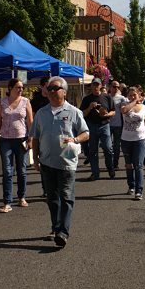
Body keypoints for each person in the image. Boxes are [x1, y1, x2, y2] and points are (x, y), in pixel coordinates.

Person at [31, 76, 89, 247]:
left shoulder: (74, 112)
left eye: (55, 88)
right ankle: (56, 227)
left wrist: (75, 140)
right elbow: (35, 137)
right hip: (47, 161)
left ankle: (62, 232)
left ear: (64, 92)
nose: (51, 91)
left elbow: (86, 133)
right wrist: (35, 158)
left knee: (66, 196)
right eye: (49, 88)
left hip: (67, 162)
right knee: (52, 198)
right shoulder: (41, 113)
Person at [0, 78, 33, 212]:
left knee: (21, 170)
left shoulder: (26, 102)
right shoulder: (2, 102)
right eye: (18, 87)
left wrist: (31, 139)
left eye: (22, 87)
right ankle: (7, 202)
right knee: (7, 171)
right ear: (10, 88)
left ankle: (21, 196)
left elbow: (30, 122)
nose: (21, 89)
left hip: (22, 139)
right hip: (6, 140)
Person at [120, 86, 145, 199]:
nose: (132, 97)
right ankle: (131, 185)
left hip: (140, 139)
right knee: (129, 165)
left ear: (139, 95)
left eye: (134, 95)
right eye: (130, 95)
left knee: (138, 164)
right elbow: (124, 111)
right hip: (126, 139)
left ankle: (139, 190)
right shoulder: (124, 104)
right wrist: (134, 102)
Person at [79, 77, 116, 181]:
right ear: (91, 86)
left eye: (97, 85)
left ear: (100, 86)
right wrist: (90, 107)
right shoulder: (87, 99)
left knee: (108, 149)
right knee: (92, 151)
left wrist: (107, 114)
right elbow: (82, 114)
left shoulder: (107, 97)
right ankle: (95, 173)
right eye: (94, 85)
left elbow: (113, 111)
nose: (95, 87)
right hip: (91, 126)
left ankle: (110, 167)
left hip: (104, 125)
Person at [108, 80, 126, 170]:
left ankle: (115, 164)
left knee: (117, 146)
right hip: (107, 125)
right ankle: (109, 163)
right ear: (110, 87)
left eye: (118, 87)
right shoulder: (106, 97)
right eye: (114, 87)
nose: (116, 89)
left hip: (118, 125)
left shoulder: (122, 98)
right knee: (107, 146)